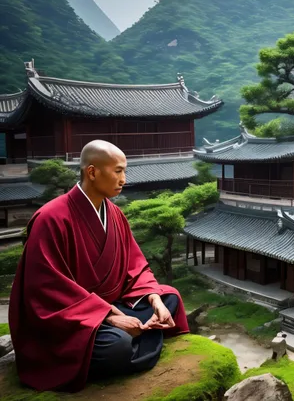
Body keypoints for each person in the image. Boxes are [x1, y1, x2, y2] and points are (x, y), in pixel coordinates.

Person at [9, 140, 189, 392]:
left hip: (109, 307)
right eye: (117, 171)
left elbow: (135, 266)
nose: (124, 179)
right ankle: (135, 340)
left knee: (169, 297)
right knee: (116, 346)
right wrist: (110, 317)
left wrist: (153, 299)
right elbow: (45, 289)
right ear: (92, 172)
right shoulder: (51, 218)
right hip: (71, 318)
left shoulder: (115, 214)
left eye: (124, 171)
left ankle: (137, 335)